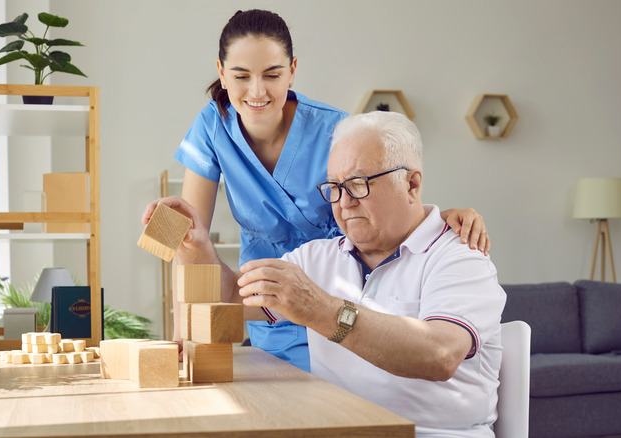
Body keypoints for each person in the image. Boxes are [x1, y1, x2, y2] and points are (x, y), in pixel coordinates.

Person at [167, 8, 491, 372]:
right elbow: (189, 243)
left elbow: (389, 199)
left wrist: (435, 220)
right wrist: (183, 332)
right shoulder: (212, 127)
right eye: (241, 75)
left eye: (271, 74)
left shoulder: (336, 131)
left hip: (344, 304)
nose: (256, 91)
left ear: (292, 70)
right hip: (268, 303)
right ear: (221, 73)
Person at [149, 111, 506, 437]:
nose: (344, 202)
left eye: (359, 184)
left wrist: (320, 309)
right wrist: (196, 246)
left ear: (411, 184)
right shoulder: (317, 258)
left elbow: (439, 354)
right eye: (334, 188)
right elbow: (229, 296)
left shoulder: (461, 256)